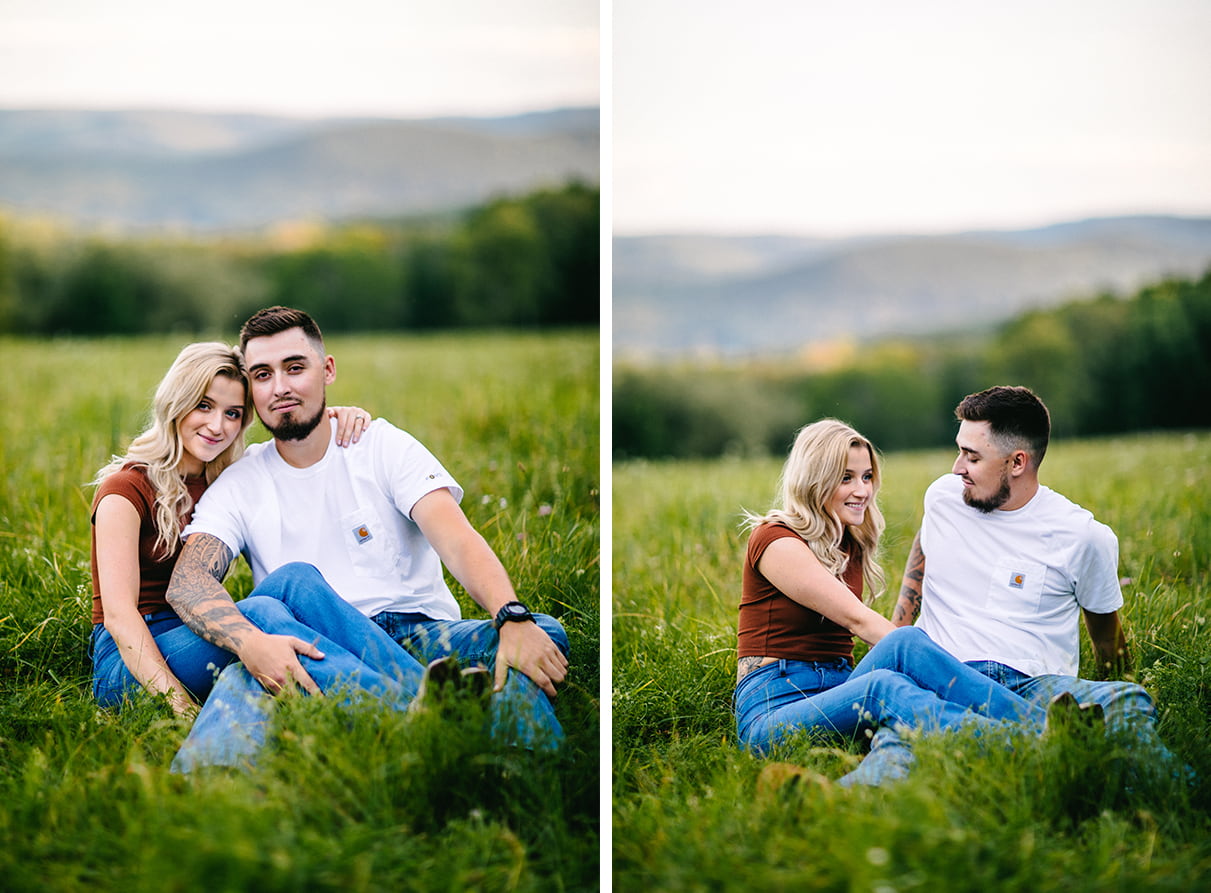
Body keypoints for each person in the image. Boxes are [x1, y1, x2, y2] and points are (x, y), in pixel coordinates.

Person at [166, 306, 570, 770]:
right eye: (262, 375)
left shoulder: (381, 445)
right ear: (252, 391)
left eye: (295, 367)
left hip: (424, 635)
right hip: (321, 648)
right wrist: (247, 642)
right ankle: (477, 743)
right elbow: (190, 579)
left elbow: (457, 538)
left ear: (328, 370)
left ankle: (518, 765)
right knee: (252, 667)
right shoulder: (241, 481)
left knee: (539, 631)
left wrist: (511, 616)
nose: (280, 387)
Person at [90, 341, 428, 722]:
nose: (218, 426)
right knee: (261, 610)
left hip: (198, 635)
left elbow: (297, 437)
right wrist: (178, 707)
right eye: (204, 405)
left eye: (232, 413)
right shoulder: (125, 489)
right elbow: (119, 618)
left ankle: (423, 688)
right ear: (176, 402)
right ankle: (398, 710)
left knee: (296, 578)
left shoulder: (225, 479)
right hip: (128, 662)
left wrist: (334, 418)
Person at [734, 418, 1050, 787]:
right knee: (889, 677)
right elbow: (859, 622)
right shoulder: (775, 540)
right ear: (815, 480)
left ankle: (1041, 725)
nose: (862, 490)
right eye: (846, 477)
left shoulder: (847, 544)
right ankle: (1028, 743)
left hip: (838, 689)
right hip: (775, 710)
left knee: (903, 658)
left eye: (867, 477)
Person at [891, 385, 1175, 767]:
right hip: (943, 676)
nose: (957, 467)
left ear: (1017, 462)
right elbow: (924, 549)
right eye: (959, 451)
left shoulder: (1083, 536)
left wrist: (1112, 680)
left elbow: (1107, 639)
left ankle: (1168, 802)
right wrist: (897, 634)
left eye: (971, 457)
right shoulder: (943, 497)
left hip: (1036, 686)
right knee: (897, 746)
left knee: (1127, 701)